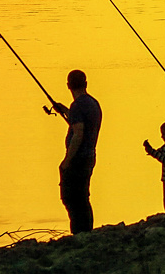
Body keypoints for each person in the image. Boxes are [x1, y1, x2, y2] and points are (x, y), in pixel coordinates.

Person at [51, 69, 102, 233]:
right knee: (82, 197)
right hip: (90, 155)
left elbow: (78, 134)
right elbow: (83, 123)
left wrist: (67, 160)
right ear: (86, 84)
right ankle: (86, 231)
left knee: (71, 198)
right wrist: (66, 111)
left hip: (78, 159)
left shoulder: (78, 106)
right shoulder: (93, 103)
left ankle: (80, 232)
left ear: (68, 86)